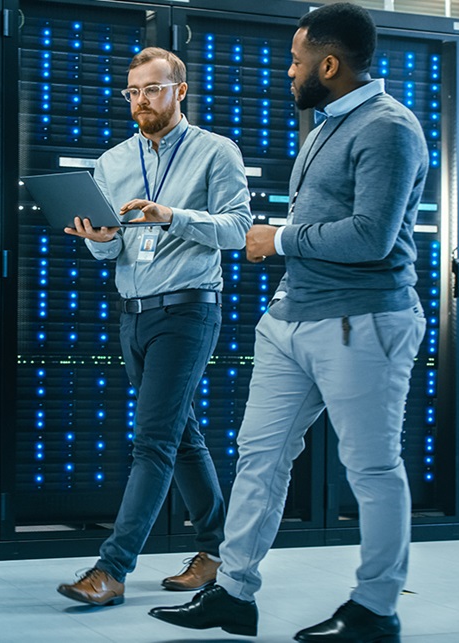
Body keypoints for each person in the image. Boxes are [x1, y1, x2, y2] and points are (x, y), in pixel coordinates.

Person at [149, 4, 428, 641]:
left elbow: (372, 238)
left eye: (298, 60)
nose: (289, 71)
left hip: (363, 321)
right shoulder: (327, 123)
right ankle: (232, 593)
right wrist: (281, 281)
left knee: (373, 469)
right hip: (292, 319)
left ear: (329, 65)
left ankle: (375, 610)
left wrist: (278, 241)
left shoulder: (389, 128)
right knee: (259, 458)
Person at [55, 47, 252, 607]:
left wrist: (174, 216)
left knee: (154, 441)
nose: (141, 100)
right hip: (133, 314)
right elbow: (115, 244)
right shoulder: (113, 161)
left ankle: (112, 570)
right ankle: (218, 551)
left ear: (180, 91)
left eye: (153, 89)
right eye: (133, 92)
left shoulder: (216, 152)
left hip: (189, 310)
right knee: (180, 434)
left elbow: (238, 229)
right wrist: (101, 242)